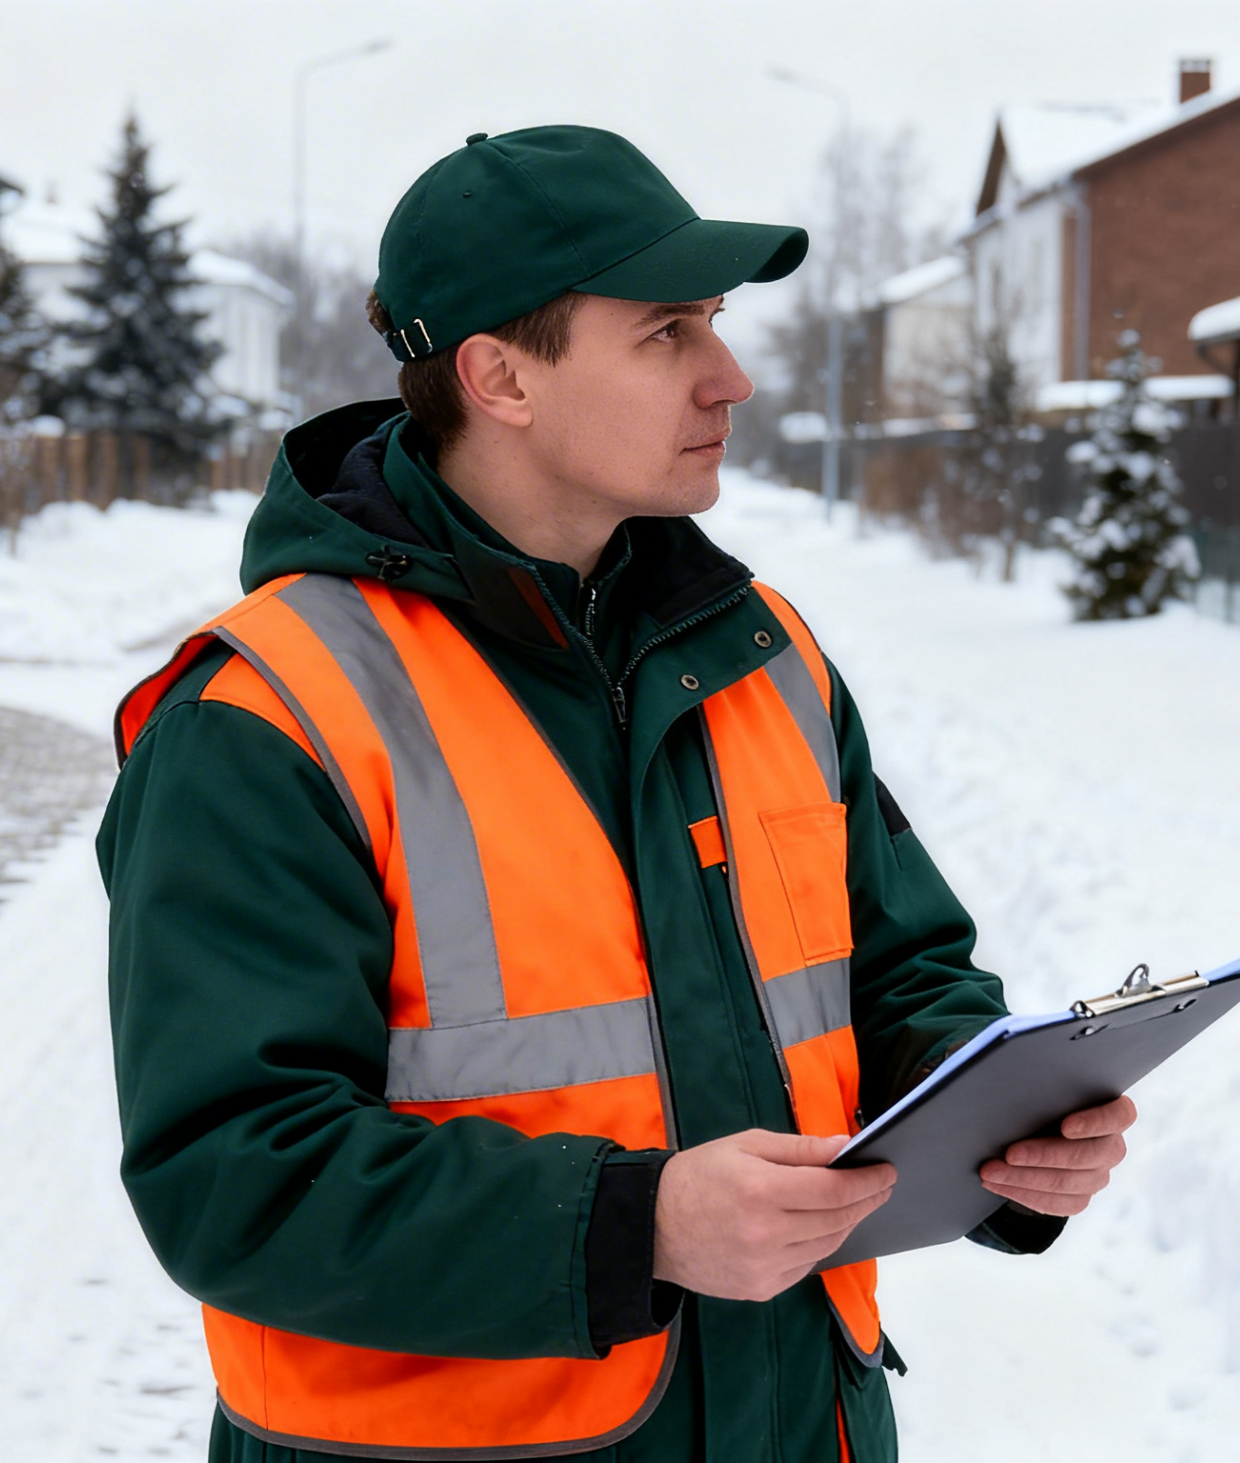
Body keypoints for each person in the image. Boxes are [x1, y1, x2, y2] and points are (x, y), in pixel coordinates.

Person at [99, 125, 1137, 1463]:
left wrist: (993, 1117)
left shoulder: (761, 655)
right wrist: (633, 1223)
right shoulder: (269, 714)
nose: (732, 376)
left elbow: (900, 969)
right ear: (498, 376)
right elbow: (235, 1176)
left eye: (713, 321)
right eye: (664, 333)